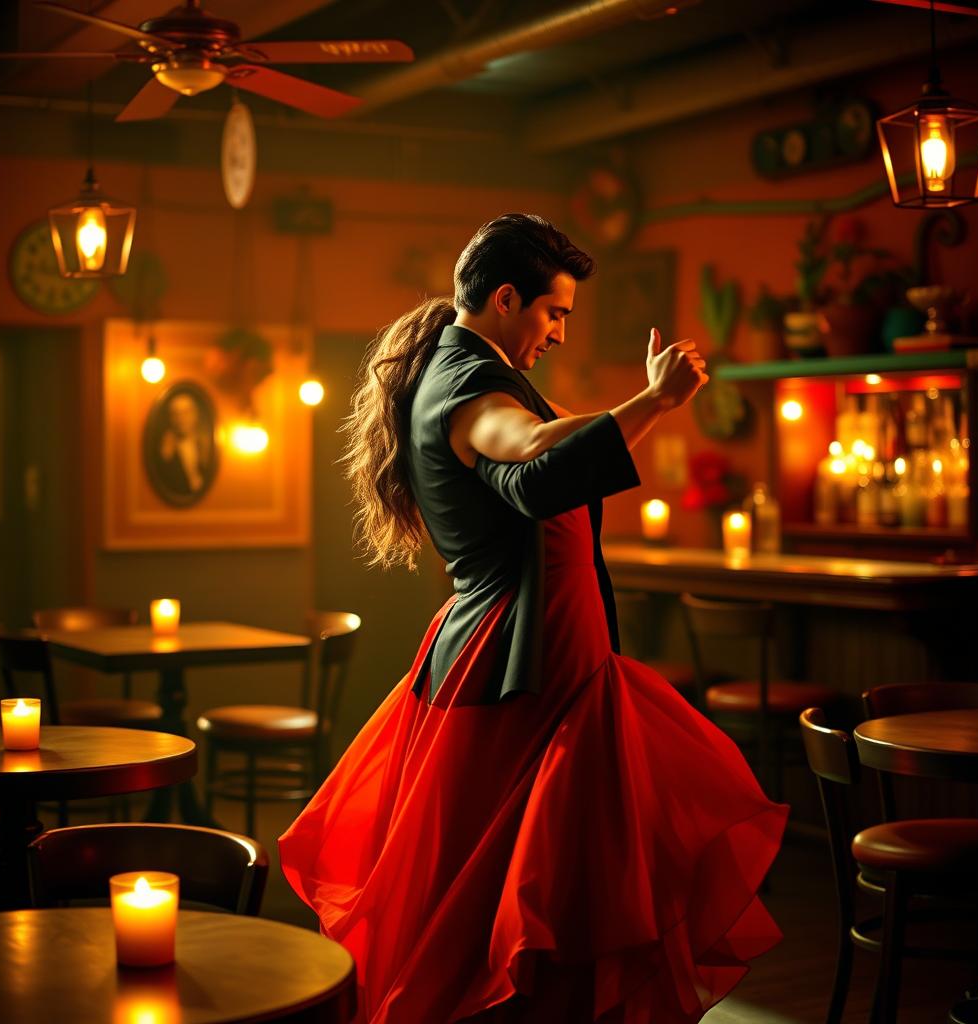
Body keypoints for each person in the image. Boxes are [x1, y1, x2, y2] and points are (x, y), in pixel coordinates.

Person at [279, 214, 788, 1023]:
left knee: (539, 878)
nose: (557, 332)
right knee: (509, 888)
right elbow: (528, 445)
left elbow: (534, 485)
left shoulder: (470, 368)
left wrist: (629, 413)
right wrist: (652, 401)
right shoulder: (468, 386)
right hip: (519, 658)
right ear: (506, 298)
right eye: (554, 313)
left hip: (537, 651)